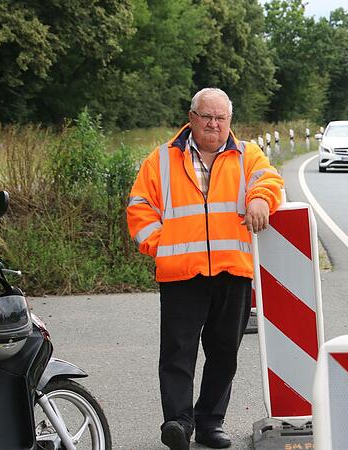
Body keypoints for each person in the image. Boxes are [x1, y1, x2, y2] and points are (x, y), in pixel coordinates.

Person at [126, 88, 284, 449]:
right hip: (182, 273)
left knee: (224, 353)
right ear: (192, 117)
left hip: (233, 270)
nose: (214, 124)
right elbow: (139, 207)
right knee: (178, 353)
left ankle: (210, 421)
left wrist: (259, 198)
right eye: (207, 117)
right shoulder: (161, 159)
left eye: (221, 118)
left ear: (230, 120)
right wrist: (161, 246)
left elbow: (270, 180)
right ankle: (178, 423)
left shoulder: (248, 154)